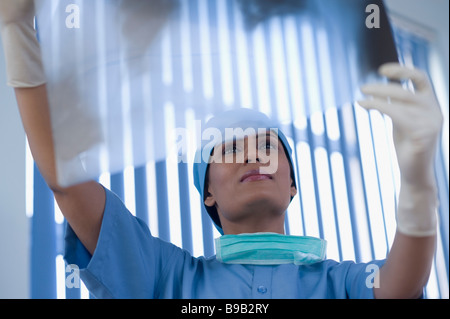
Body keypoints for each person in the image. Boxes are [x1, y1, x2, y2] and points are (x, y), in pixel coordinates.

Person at [0, 0, 443, 299]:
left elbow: (402, 287)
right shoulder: (166, 278)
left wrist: (420, 184)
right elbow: (65, 179)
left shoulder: (339, 282)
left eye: (268, 144)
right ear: (205, 190)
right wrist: (17, 31)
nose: (254, 155)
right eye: (229, 148)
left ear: (293, 185)